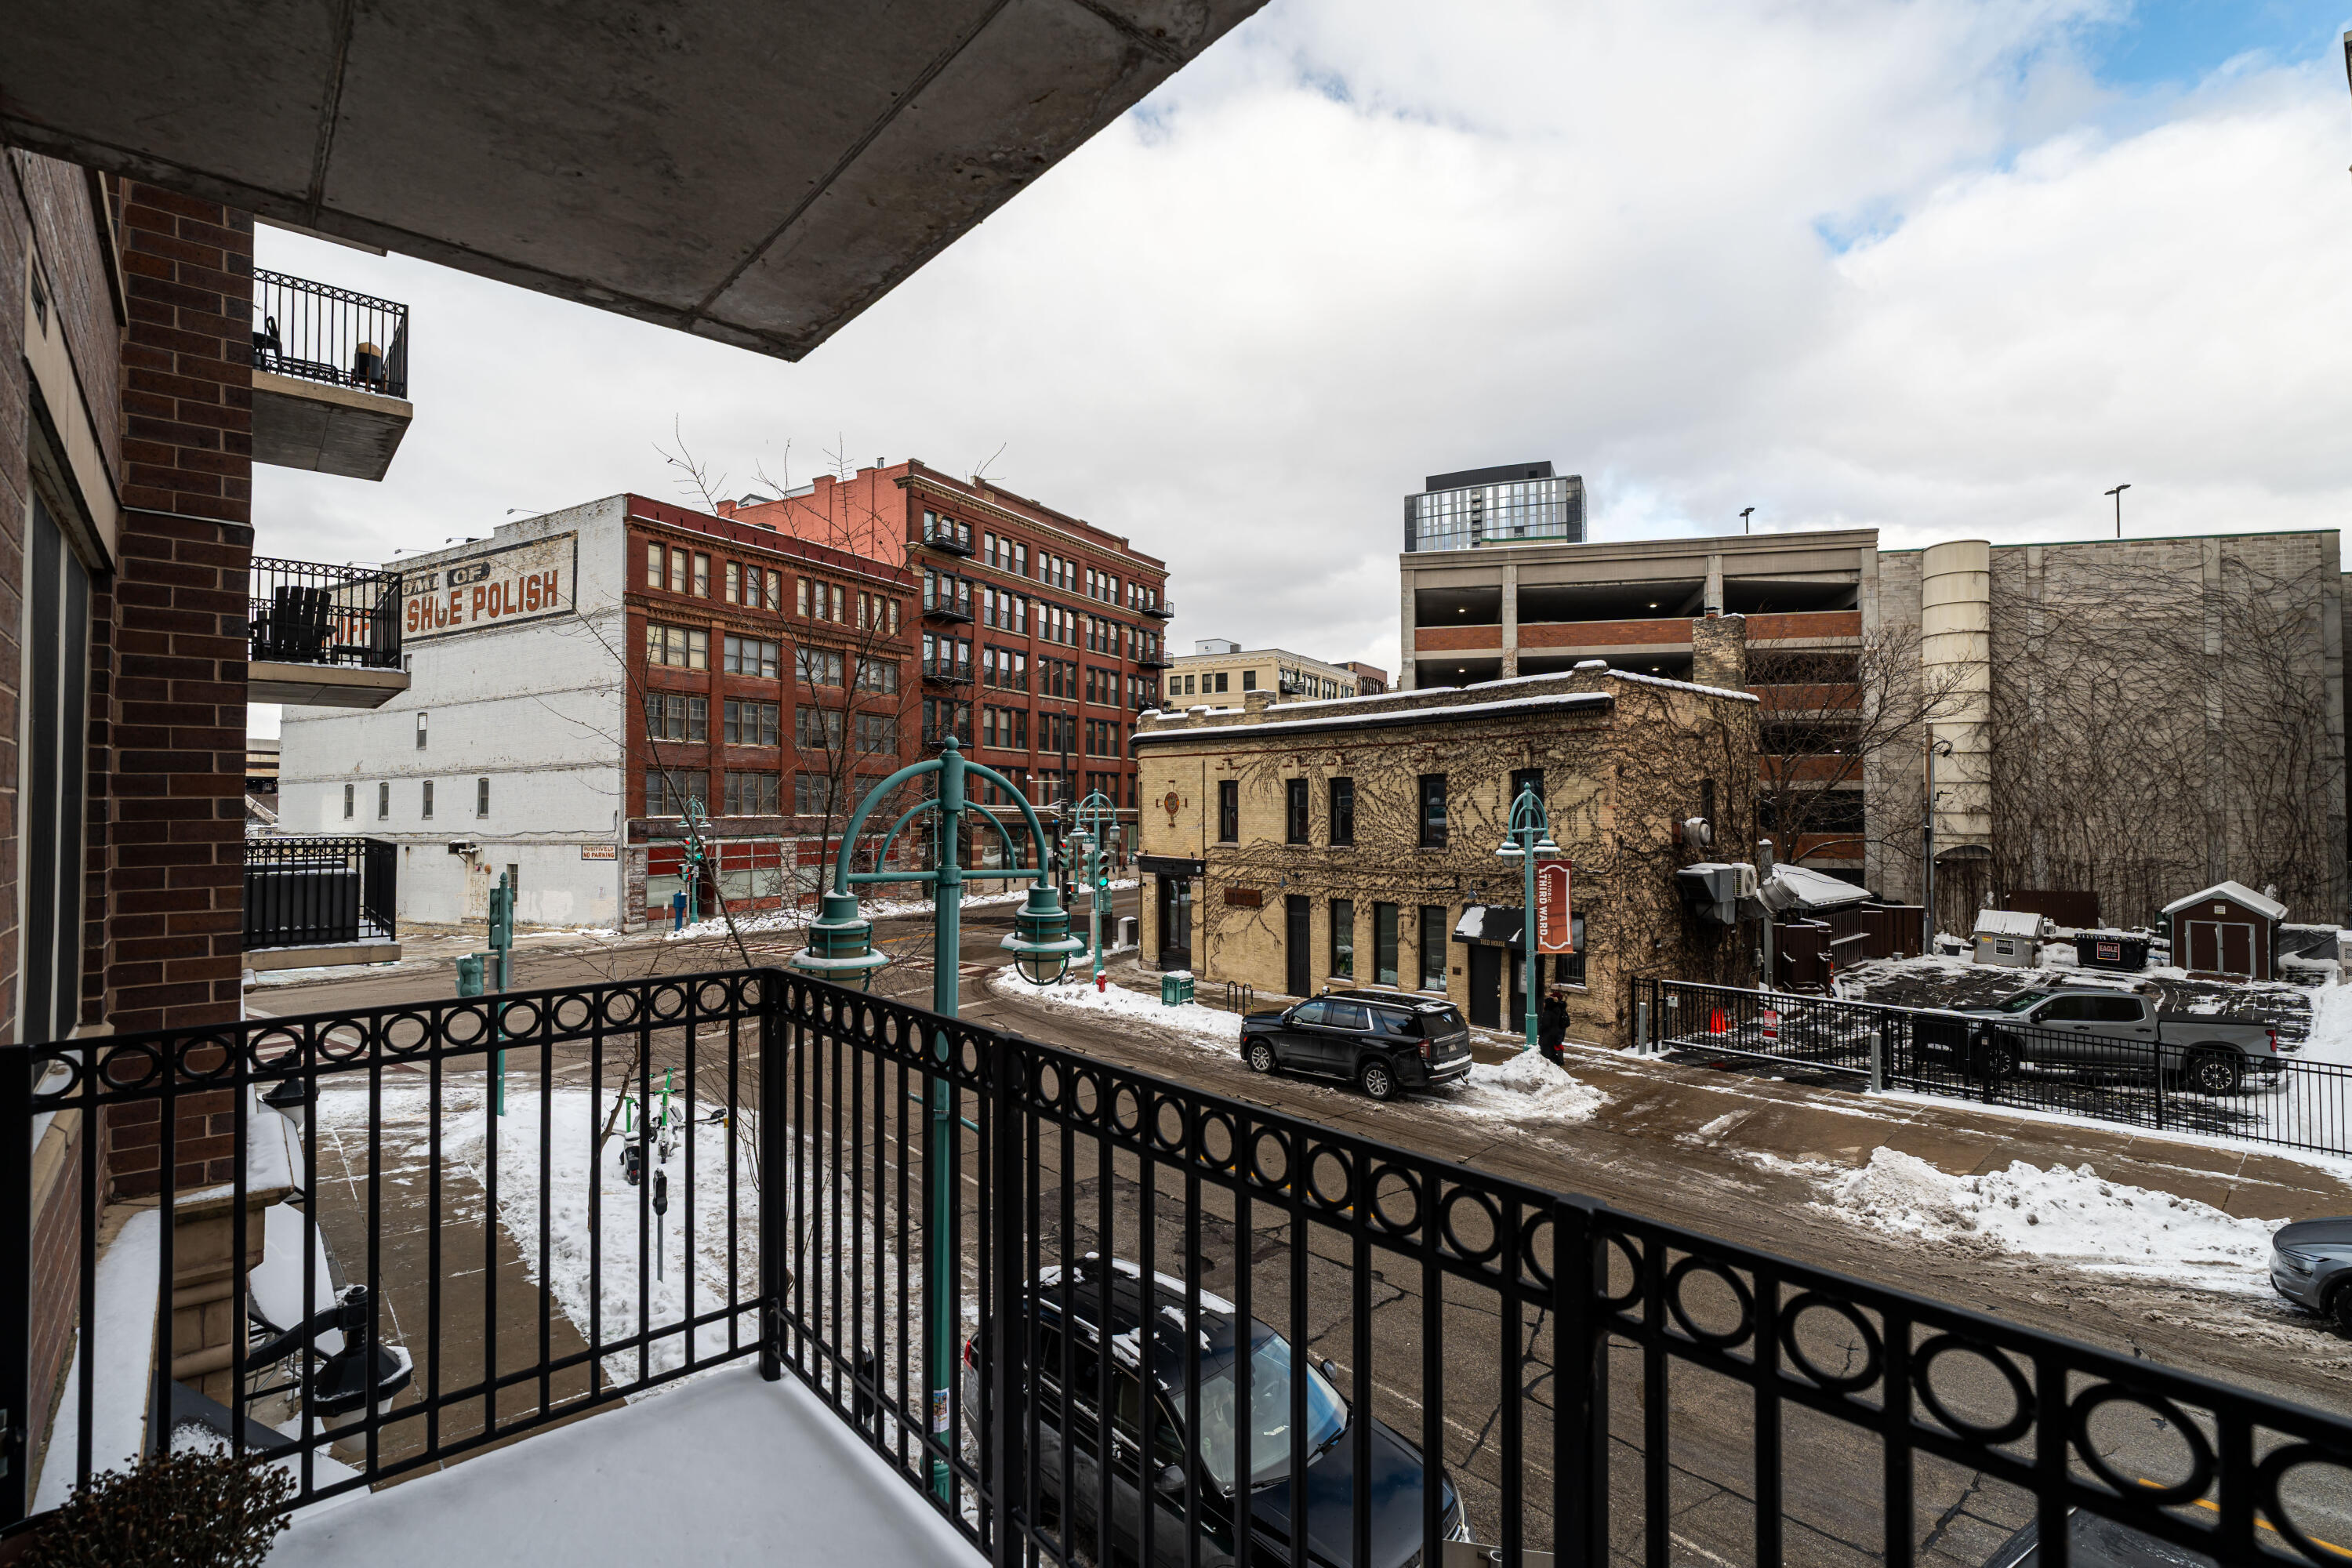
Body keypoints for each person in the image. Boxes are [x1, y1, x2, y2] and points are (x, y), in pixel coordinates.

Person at [1537, 993, 1568, 1065]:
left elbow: (1546, 1025)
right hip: (1556, 1032)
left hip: (1553, 1034)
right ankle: (1558, 1062)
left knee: (1550, 1051)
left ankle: (1558, 1062)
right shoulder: (1558, 1008)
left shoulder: (1551, 1011)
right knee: (1553, 1050)